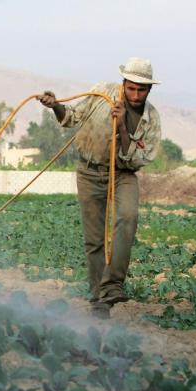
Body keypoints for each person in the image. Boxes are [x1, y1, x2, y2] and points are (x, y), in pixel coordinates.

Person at [38, 57, 162, 319]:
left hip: (123, 174)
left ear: (149, 90)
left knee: (128, 217)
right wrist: (55, 105)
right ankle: (99, 300)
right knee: (94, 240)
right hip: (89, 172)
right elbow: (71, 117)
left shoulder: (151, 118)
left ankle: (113, 284)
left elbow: (140, 158)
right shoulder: (102, 94)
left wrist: (123, 126)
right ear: (123, 83)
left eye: (142, 90)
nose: (136, 94)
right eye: (131, 88)